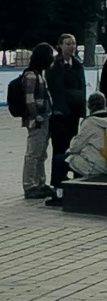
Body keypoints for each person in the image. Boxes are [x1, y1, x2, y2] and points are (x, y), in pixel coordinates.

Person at [47, 32, 88, 202]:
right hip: (60, 115)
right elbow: (56, 91)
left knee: (73, 147)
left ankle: (72, 180)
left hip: (74, 114)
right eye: (68, 43)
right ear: (60, 46)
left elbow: (82, 88)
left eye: (73, 43)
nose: (71, 47)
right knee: (59, 149)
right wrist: (61, 110)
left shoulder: (78, 65)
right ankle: (58, 183)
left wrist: (82, 112)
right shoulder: (54, 66)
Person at [19, 43, 54, 200]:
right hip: (37, 120)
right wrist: (37, 115)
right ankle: (29, 184)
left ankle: (40, 182)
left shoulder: (39, 74)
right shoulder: (31, 76)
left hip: (45, 118)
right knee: (33, 154)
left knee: (41, 153)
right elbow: (29, 99)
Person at [64, 94, 107, 182]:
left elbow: (75, 147)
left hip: (98, 165)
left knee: (62, 159)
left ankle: (60, 191)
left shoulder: (90, 122)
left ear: (89, 106)